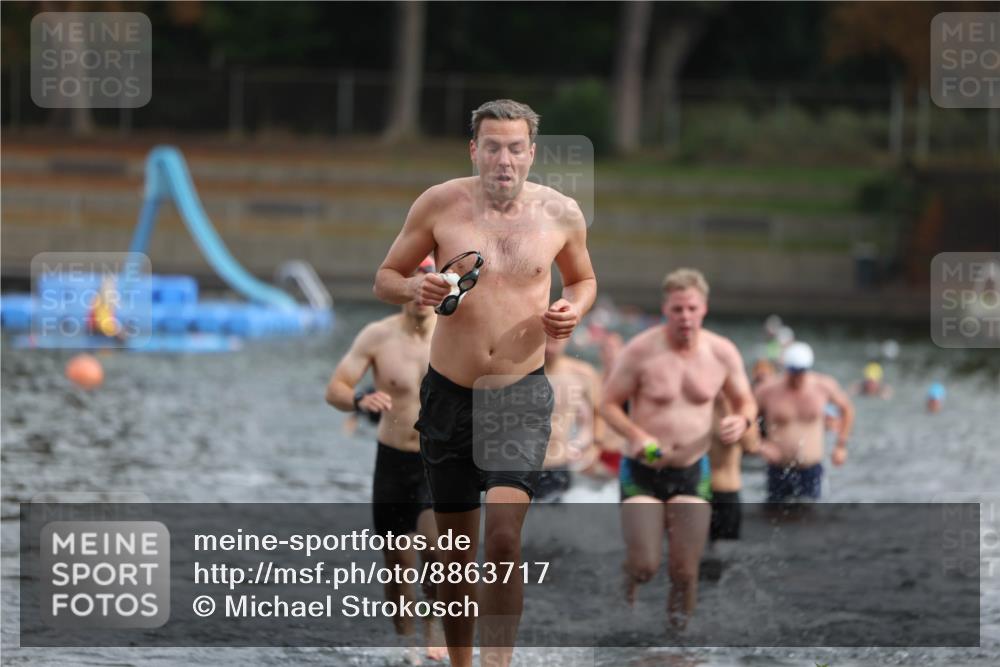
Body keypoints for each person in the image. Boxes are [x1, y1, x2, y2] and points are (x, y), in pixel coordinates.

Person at [373, 99, 597, 667]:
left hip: (517, 395)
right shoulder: (439, 204)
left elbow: (584, 277)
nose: (504, 158)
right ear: (474, 150)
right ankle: (461, 662)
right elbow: (386, 277)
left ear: (532, 153)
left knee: (501, 539)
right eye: (492, 146)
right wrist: (414, 291)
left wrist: (573, 308)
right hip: (448, 394)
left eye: (515, 147)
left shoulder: (561, 212)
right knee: (452, 557)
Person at [600, 268, 756, 627]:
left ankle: (679, 644)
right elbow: (607, 404)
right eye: (676, 310)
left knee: (685, 573)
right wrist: (636, 434)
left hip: (691, 471)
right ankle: (623, 606)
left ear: (704, 308)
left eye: (691, 309)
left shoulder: (722, 353)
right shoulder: (641, 350)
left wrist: (742, 420)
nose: (684, 317)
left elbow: (746, 401)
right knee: (645, 566)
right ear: (665, 309)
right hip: (642, 469)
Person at [324, 256, 445, 662]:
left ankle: (433, 629)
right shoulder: (377, 336)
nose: (422, 293)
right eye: (415, 284)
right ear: (403, 289)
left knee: (436, 551)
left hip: (437, 462)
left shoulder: (454, 335)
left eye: (430, 283)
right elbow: (336, 388)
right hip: (392, 461)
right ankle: (405, 641)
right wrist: (359, 399)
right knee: (397, 568)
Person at [755, 342, 855, 502]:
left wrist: (841, 446)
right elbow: (745, 417)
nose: (797, 377)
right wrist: (760, 445)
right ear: (786, 369)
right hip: (778, 468)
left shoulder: (823, 386)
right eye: (793, 372)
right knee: (773, 518)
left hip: (811, 468)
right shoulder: (767, 390)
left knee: (811, 519)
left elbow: (847, 409)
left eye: (801, 372)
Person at [537, 334, 610, 500]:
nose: (549, 348)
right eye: (545, 341)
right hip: (518, 465)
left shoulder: (581, 373)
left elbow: (599, 413)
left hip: (559, 465)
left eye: (554, 341)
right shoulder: (518, 371)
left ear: (566, 338)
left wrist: (595, 449)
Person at [707, 391, 761, 542]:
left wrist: (729, 411)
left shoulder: (738, 411)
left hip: (725, 491)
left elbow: (752, 446)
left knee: (725, 557)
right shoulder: (690, 407)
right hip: (691, 491)